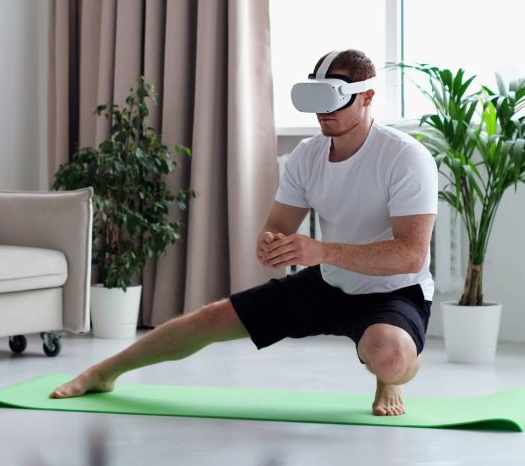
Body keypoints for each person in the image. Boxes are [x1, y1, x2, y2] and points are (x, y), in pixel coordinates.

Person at [50, 49, 438, 417]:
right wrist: (270, 243)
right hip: (328, 281)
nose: (323, 110)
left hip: (393, 290)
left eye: (334, 98)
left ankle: (393, 375)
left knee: (389, 357)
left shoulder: (404, 157)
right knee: (210, 319)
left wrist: (320, 251)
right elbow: (277, 226)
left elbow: (411, 255)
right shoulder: (308, 155)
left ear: (367, 97)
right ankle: (103, 373)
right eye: (315, 97)